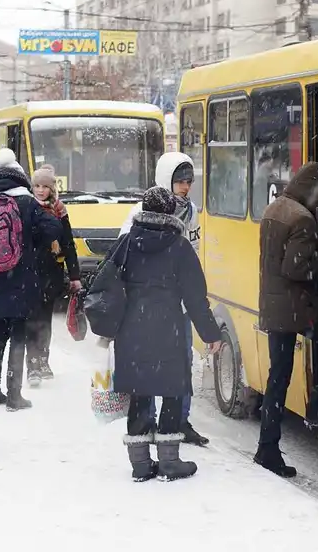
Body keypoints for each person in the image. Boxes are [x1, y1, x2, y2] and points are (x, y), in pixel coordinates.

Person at [110, 187, 223, 482]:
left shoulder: (126, 243)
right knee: (172, 390)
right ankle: (170, 462)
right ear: (170, 212)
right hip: (167, 329)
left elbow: (105, 283)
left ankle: (140, 464)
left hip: (131, 330)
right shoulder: (179, 247)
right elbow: (196, 297)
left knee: (140, 391)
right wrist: (210, 333)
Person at [118, 151, 207, 446]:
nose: (185, 187)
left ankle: (180, 421)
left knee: (182, 362)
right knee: (149, 367)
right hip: (148, 306)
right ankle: (152, 425)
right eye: (180, 181)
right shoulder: (137, 215)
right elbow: (124, 257)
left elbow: (194, 249)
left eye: (189, 181)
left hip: (177, 303)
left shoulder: (192, 211)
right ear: (165, 180)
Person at [0, 148, 62, 411]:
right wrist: (30, 244)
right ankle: (14, 395)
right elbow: (55, 228)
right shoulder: (27, 202)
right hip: (21, 279)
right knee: (18, 336)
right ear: (20, 178)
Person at [255, 161, 318, 478]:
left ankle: (268, 445)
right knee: (281, 377)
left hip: (272, 303)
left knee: (276, 376)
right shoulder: (303, 219)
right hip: (292, 308)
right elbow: (295, 269)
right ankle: (268, 448)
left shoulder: (275, 209)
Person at [26, 165, 82, 386]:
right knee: (32, 319)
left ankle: (43, 360)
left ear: (52, 189)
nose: (40, 191)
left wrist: (75, 274)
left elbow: (68, 243)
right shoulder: (27, 207)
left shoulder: (60, 210)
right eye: (36, 186)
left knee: (45, 320)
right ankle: (32, 366)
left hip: (52, 272)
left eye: (44, 187)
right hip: (30, 273)